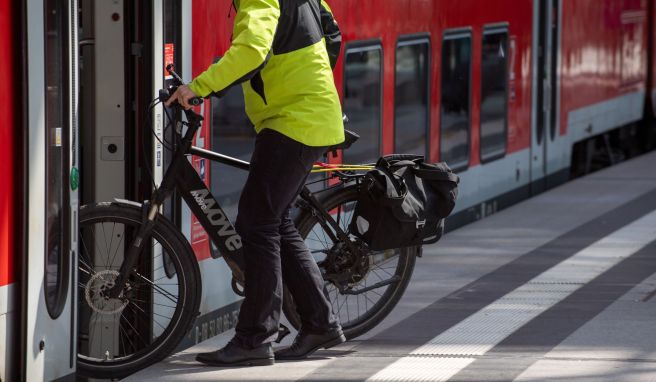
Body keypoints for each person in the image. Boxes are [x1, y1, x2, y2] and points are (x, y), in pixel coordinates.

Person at [165, 0, 346, 367]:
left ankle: (254, 338)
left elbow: (250, 51)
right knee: (273, 221)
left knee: (257, 222)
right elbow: (333, 35)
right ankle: (319, 322)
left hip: (294, 121)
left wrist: (198, 87)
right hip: (304, 115)